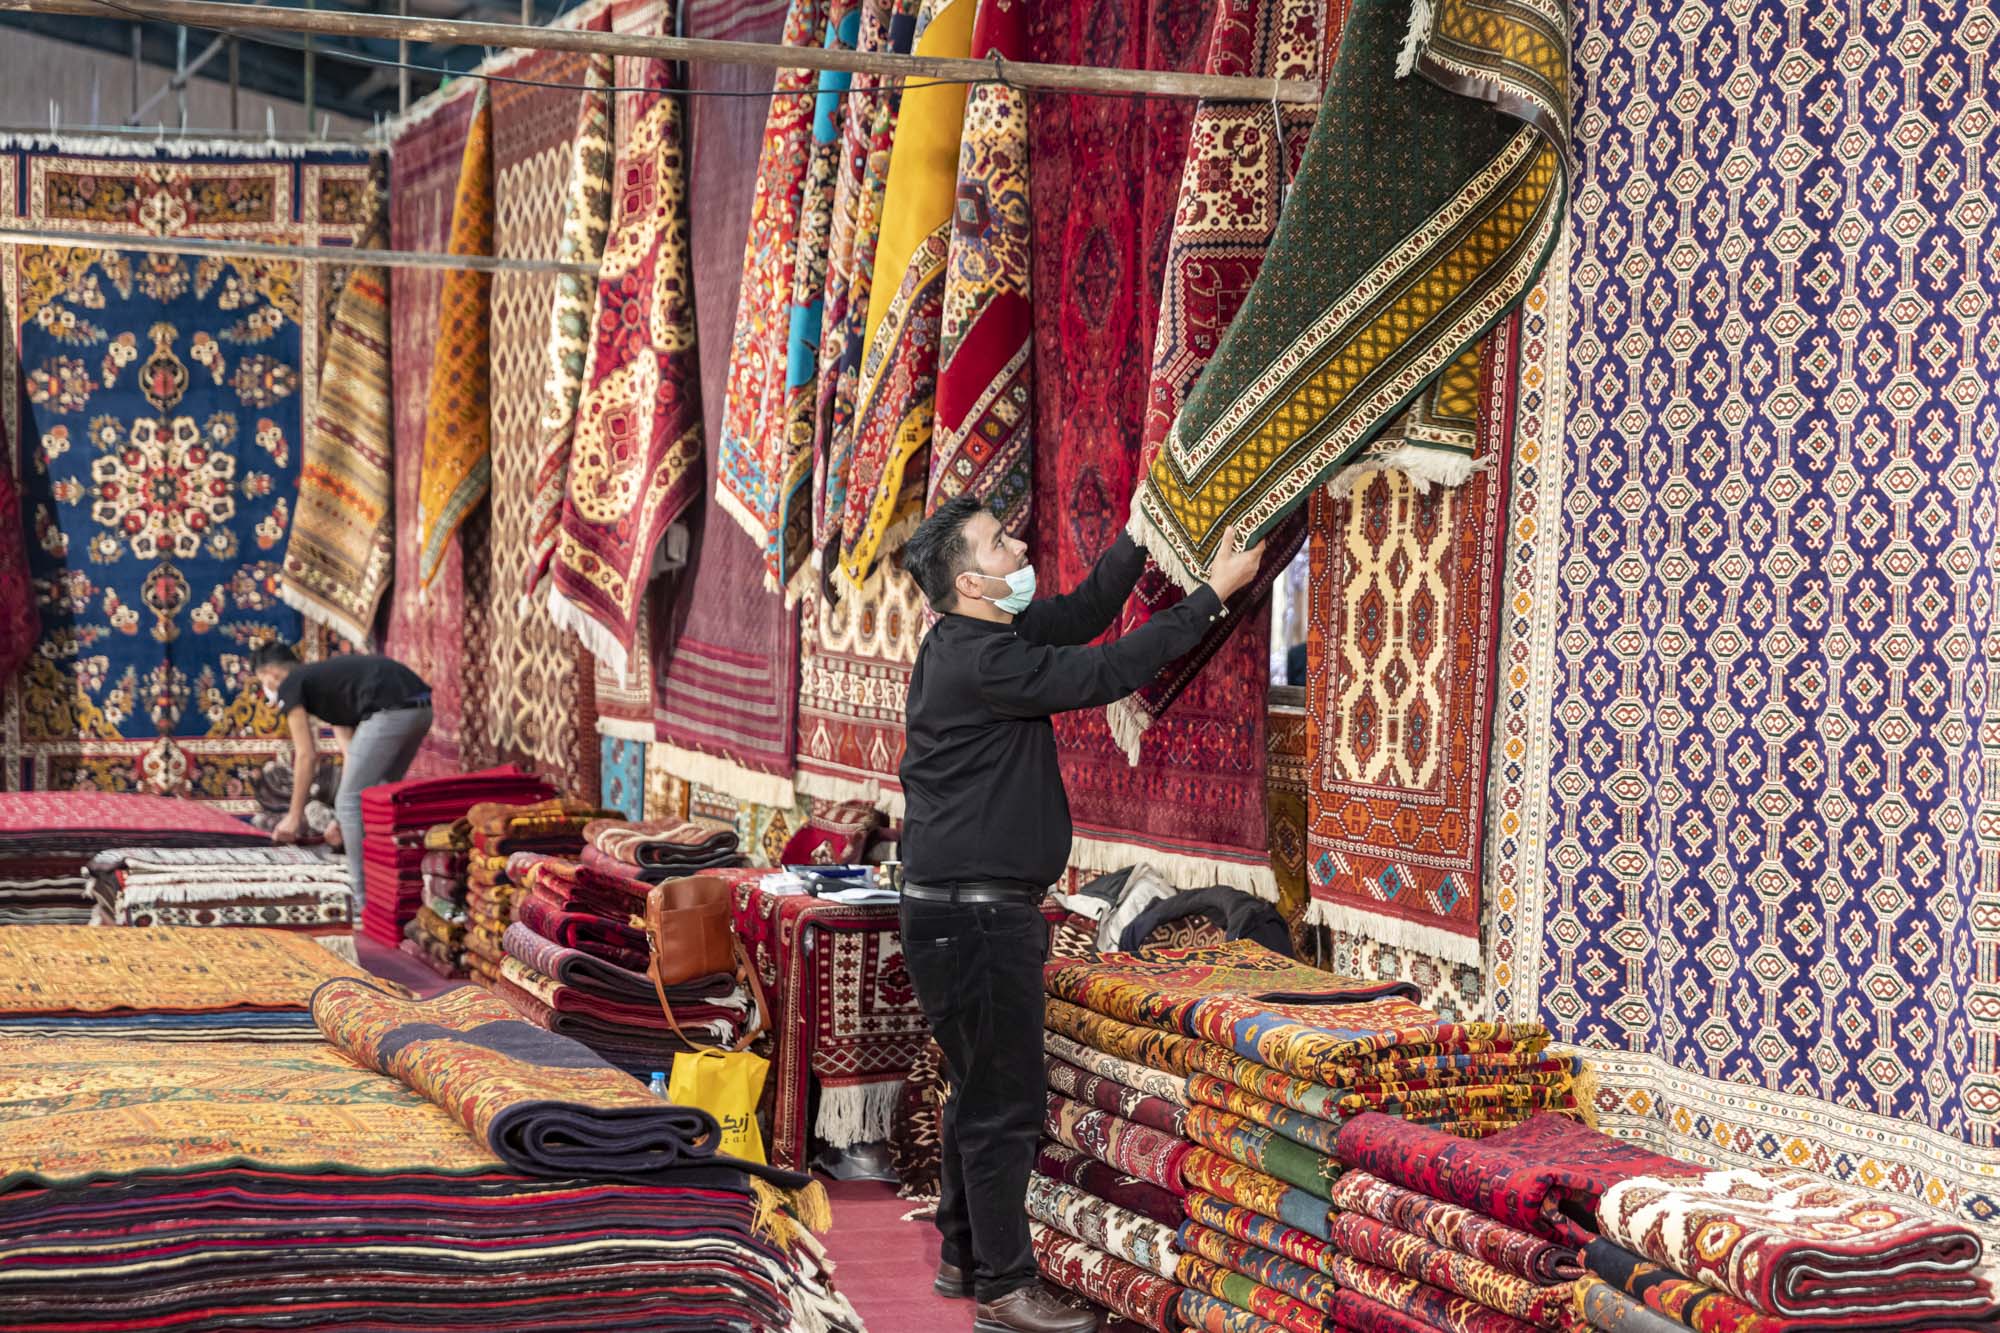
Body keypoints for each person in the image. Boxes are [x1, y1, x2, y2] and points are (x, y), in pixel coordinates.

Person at [896, 497, 1266, 1333]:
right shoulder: (983, 661)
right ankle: (1005, 1290)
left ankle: (964, 1255)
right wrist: (1212, 595)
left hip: (958, 913)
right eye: (1000, 543)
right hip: (975, 919)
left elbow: (1082, 615)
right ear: (970, 582)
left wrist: (1140, 535)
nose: (1018, 545)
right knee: (1004, 1106)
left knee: (977, 1089)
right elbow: (1106, 671)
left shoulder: (980, 637)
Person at [251, 645, 433, 901]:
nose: (266, 688)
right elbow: (352, 756)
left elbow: (306, 755)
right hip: (421, 709)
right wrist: (341, 821)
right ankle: (393, 886)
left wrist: (294, 816)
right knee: (376, 797)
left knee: (349, 802)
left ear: (271, 674)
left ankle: (363, 900)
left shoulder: (291, 683)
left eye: (262, 681)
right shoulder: (328, 686)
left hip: (392, 711)